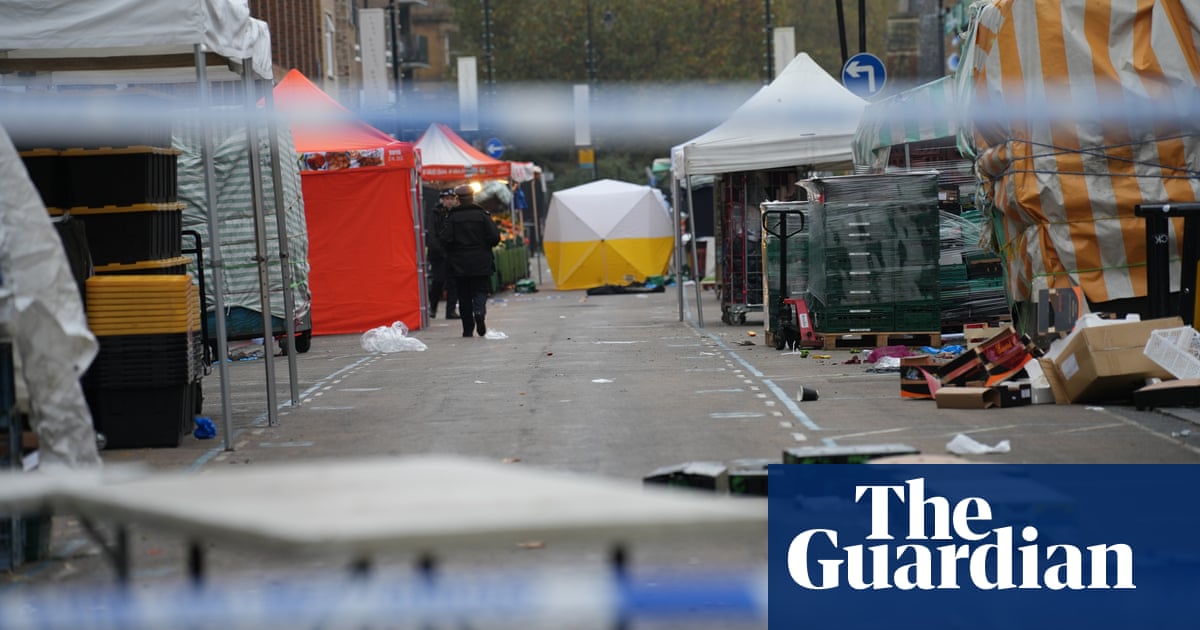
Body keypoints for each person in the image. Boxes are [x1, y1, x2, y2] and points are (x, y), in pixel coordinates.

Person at [438, 184, 500, 337]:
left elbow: (445, 240)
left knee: (463, 295)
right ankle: (479, 311)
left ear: (458, 199)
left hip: (459, 264)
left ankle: (467, 329)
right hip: (480, 261)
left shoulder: (452, 218)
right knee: (480, 290)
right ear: (473, 198)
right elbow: (494, 238)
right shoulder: (482, 215)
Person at [426, 189, 458, 319]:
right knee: (438, 281)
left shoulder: (456, 213)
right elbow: (432, 234)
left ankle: (450, 311)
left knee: (453, 282)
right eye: (447, 199)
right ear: (442, 200)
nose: (449, 201)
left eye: (452, 199)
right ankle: (433, 308)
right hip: (438, 254)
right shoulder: (435, 213)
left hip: (453, 253)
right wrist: (439, 250)